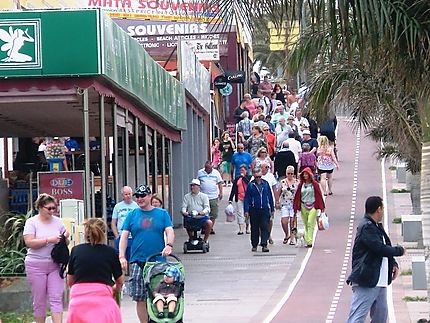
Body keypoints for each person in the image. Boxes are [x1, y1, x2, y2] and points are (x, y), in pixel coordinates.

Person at [119, 184, 174, 323]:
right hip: (138, 260)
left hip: (158, 261)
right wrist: (121, 256)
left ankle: (159, 318)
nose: (140, 199)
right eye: (137, 196)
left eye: (143, 196)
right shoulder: (132, 215)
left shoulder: (162, 214)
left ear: (150, 196)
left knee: (160, 294)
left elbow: (169, 231)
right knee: (140, 297)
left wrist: (169, 245)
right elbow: (124, 236)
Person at [346, 196, 405, 323]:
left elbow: (384, 246)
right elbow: (379, 248)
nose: (383, 211)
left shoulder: (376, 226)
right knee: (357, 316)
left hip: (380, 280)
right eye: (382, 208)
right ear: (379, 209)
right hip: (367, 279)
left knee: (381, 316)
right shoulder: (367, 227)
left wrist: (393, 263)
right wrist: (399, 251)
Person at [23, 193, 69, 323]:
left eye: (54, 208)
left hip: (55, 264)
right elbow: (29, 242)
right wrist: (49, 240)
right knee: (39, 300)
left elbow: (65, 242)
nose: (52, 211)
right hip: (36, 264)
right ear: (40, 207)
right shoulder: (32, 222)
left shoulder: (59, 222)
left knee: (56, 298)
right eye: (49, 208)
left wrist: (65, 238)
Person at [67, 218, 124, 323]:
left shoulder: (76, 250)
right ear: (104, 233)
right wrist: (115, 289)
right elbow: (120, 281)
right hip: (103, 299)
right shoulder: (110, 252)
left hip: (78, 300)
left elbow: (70, 281)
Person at [244, 167, 275, 252]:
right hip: (254, 209)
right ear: (254, 176)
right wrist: (246, 210)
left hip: (264, 208)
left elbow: (270, 196)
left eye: (259, 177)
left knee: (265, 226)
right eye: (256, 177)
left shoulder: (265, 184)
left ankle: (264, 244)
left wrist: (272, 208)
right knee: (254, 227)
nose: (258, 179)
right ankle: (254, 244)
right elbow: (247, 198)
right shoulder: (251, 185)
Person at [293, 167, 325, 248]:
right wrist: (296, 208)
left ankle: (309, 241)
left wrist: (322, 207)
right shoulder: (301, 185)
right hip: (303, 205)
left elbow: (319, 195)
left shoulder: (315, 185)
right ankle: (307, 239)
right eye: (304, 174)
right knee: (306, 223)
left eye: (306, 174)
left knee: (310, 222)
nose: (305, 176)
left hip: (313, 205)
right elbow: (297, 196)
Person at [111, 186, 139, 261]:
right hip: (121, 236)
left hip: (133, 237)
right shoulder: (117, 206)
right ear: (123, 195)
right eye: (126, 194)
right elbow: (113, 223)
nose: (128, 196)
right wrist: (117, 236)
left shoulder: (136, 206)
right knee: (121, 258)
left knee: (133, 259)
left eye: (129, 194)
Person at [181, 179, 212, 245]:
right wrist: (185, 212)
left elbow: (207, 208)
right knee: (186, 221)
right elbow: (184, 207)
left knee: (209, 223)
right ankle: (191, 238)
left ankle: (205, 240)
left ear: (198, 187)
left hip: (201, 217)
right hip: (191, 216)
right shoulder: (187, 196)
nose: (192, 187)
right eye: (191, 186)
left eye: (194, 186)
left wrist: (202, 212)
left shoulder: (204, 196)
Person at [197, 161, 223, 234]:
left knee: (213, 213)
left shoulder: (216, 173)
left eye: (209, 168)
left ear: (212, 167)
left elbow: (220, 183)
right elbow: (197, 183)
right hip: (203, 196)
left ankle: (210, 228)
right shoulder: (200, 172)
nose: (208, 170)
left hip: (213, 196)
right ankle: (204, 227)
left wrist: (221, 192)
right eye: (206, 168)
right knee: (203, 213)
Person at [277, 166, 299, 245]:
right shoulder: (282, 182)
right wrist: (277, 202)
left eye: (291, 173)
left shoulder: (297, 182)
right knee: (284, 221)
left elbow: (299, 193)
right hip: (285, 204)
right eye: (288, 173)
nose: (290, 175)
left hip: (294, 204)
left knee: (293, 221)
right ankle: (287, 234)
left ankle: (292, 238)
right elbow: (278, 192)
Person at [229, 165, 252, 235]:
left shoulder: (249, 177)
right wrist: (230, 198)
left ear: (246, 171)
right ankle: (241, 228)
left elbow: (249, 184)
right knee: (240, 213)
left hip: (247, 198)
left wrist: (243, 177)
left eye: (243, 170)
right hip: (239, 197)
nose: (241, 172)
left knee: (247, 213)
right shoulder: (237, 178)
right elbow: (234, 189)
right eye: (240, 170)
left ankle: (247, 227)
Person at [260, 163, 278, 245]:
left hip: (269, 201)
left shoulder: (271, 176)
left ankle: (269, 235)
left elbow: (274, 189)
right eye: (265, 167)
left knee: (270, 220)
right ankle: (262, 237)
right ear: (261, 168)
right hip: (260, 202)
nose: (267, 168)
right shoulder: (257, 175)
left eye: (268, 167)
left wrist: (276, 200)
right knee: (260, 221)